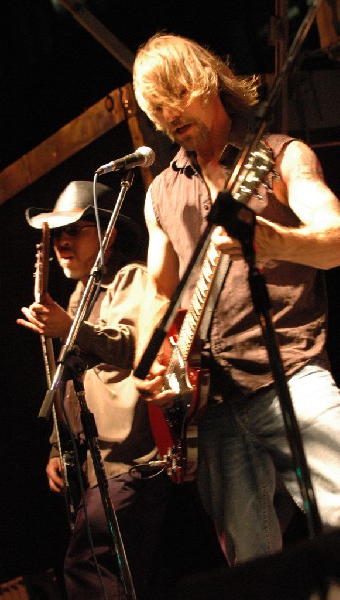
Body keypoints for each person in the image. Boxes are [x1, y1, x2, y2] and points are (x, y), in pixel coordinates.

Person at [132, 32, 340, 567]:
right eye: (154, 106)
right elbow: (159, 289)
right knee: (252, 570)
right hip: (213, 407)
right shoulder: (160, 192)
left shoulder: (280, 155)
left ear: (205, 80)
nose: (167, 114)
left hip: (293, 378)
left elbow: (336, 239)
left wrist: (276, 240)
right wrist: (154, 356)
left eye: (174, 94)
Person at [17, 180, 174, 599]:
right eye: (57, 235)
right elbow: (70, 381)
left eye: (75, 231)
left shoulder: (130, 279)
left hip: (135, 461)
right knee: (126, 578)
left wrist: (71, 330)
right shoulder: (77, 298)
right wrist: (58, 448)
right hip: (98, 468)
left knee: (90, 565)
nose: (62, 243)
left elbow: (134, 347)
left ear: (108, 234)